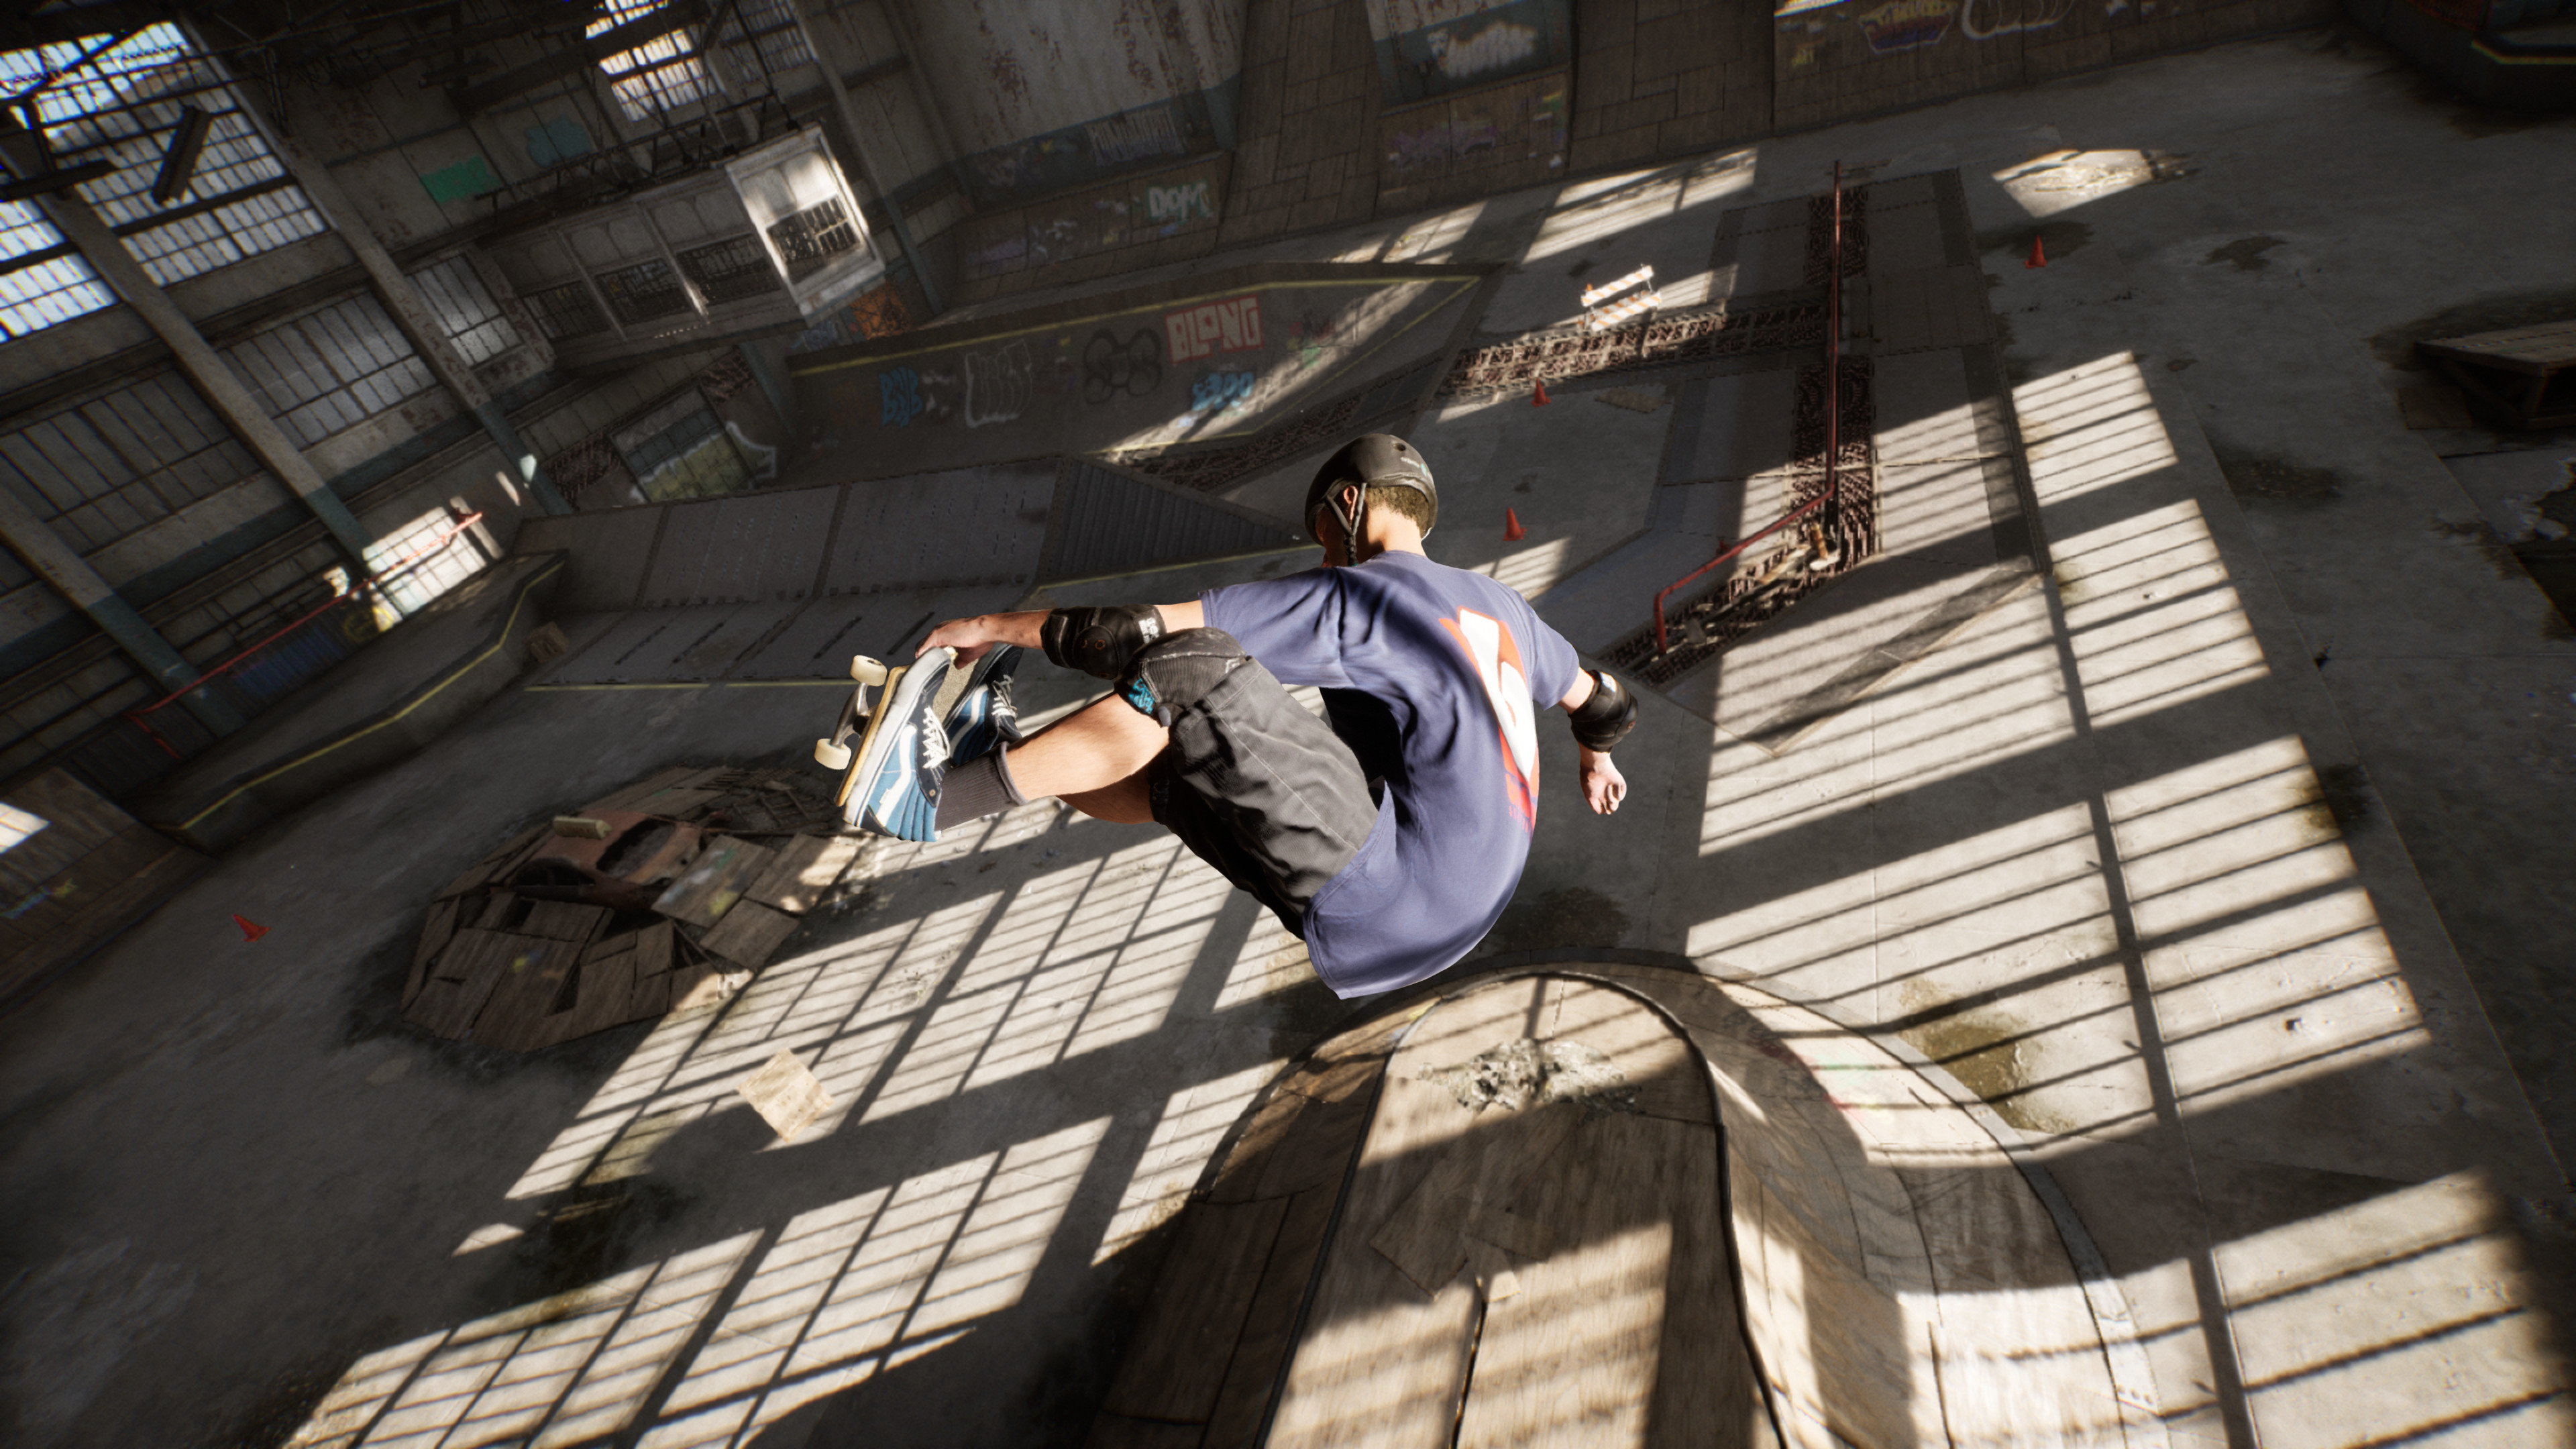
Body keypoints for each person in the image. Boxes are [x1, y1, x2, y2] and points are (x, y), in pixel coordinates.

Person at [843, 433, 1638, 998]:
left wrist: (990, 626)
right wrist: (1595, 760)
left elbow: (1129, 633)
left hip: (1393, 885)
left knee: (1185, 666)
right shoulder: (1501, 607)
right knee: (1180, 769)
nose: (1322, 558)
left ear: (1351, 504)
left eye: (1324, 538)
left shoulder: (1365, 594)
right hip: (1453, 916)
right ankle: (993, 754)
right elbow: (1605, 700)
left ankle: (925, 801)